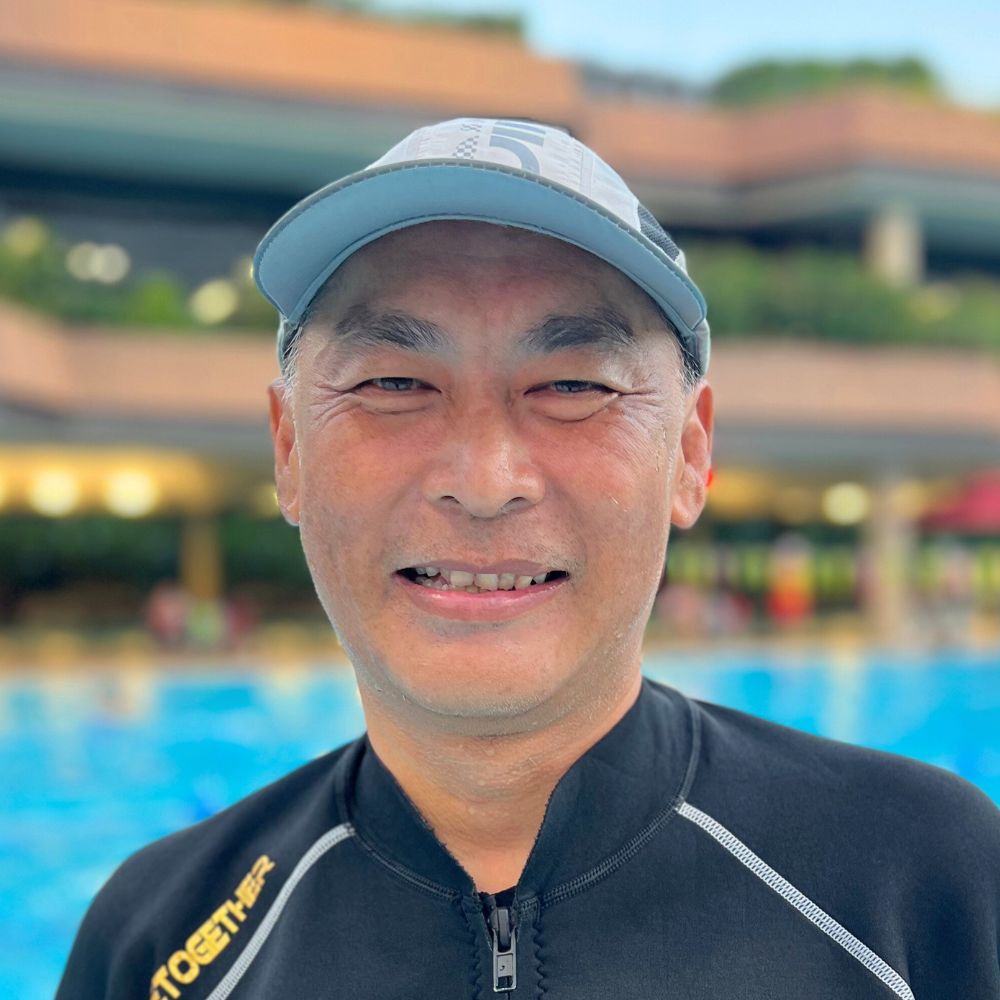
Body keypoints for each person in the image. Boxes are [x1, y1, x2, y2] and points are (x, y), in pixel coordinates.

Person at [56, 118, 999, 1000]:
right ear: (290, 452)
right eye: (393, 382)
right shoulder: (156, 939)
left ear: (689, 455)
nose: (485, 478)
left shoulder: (925, 882)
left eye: (573, 384)